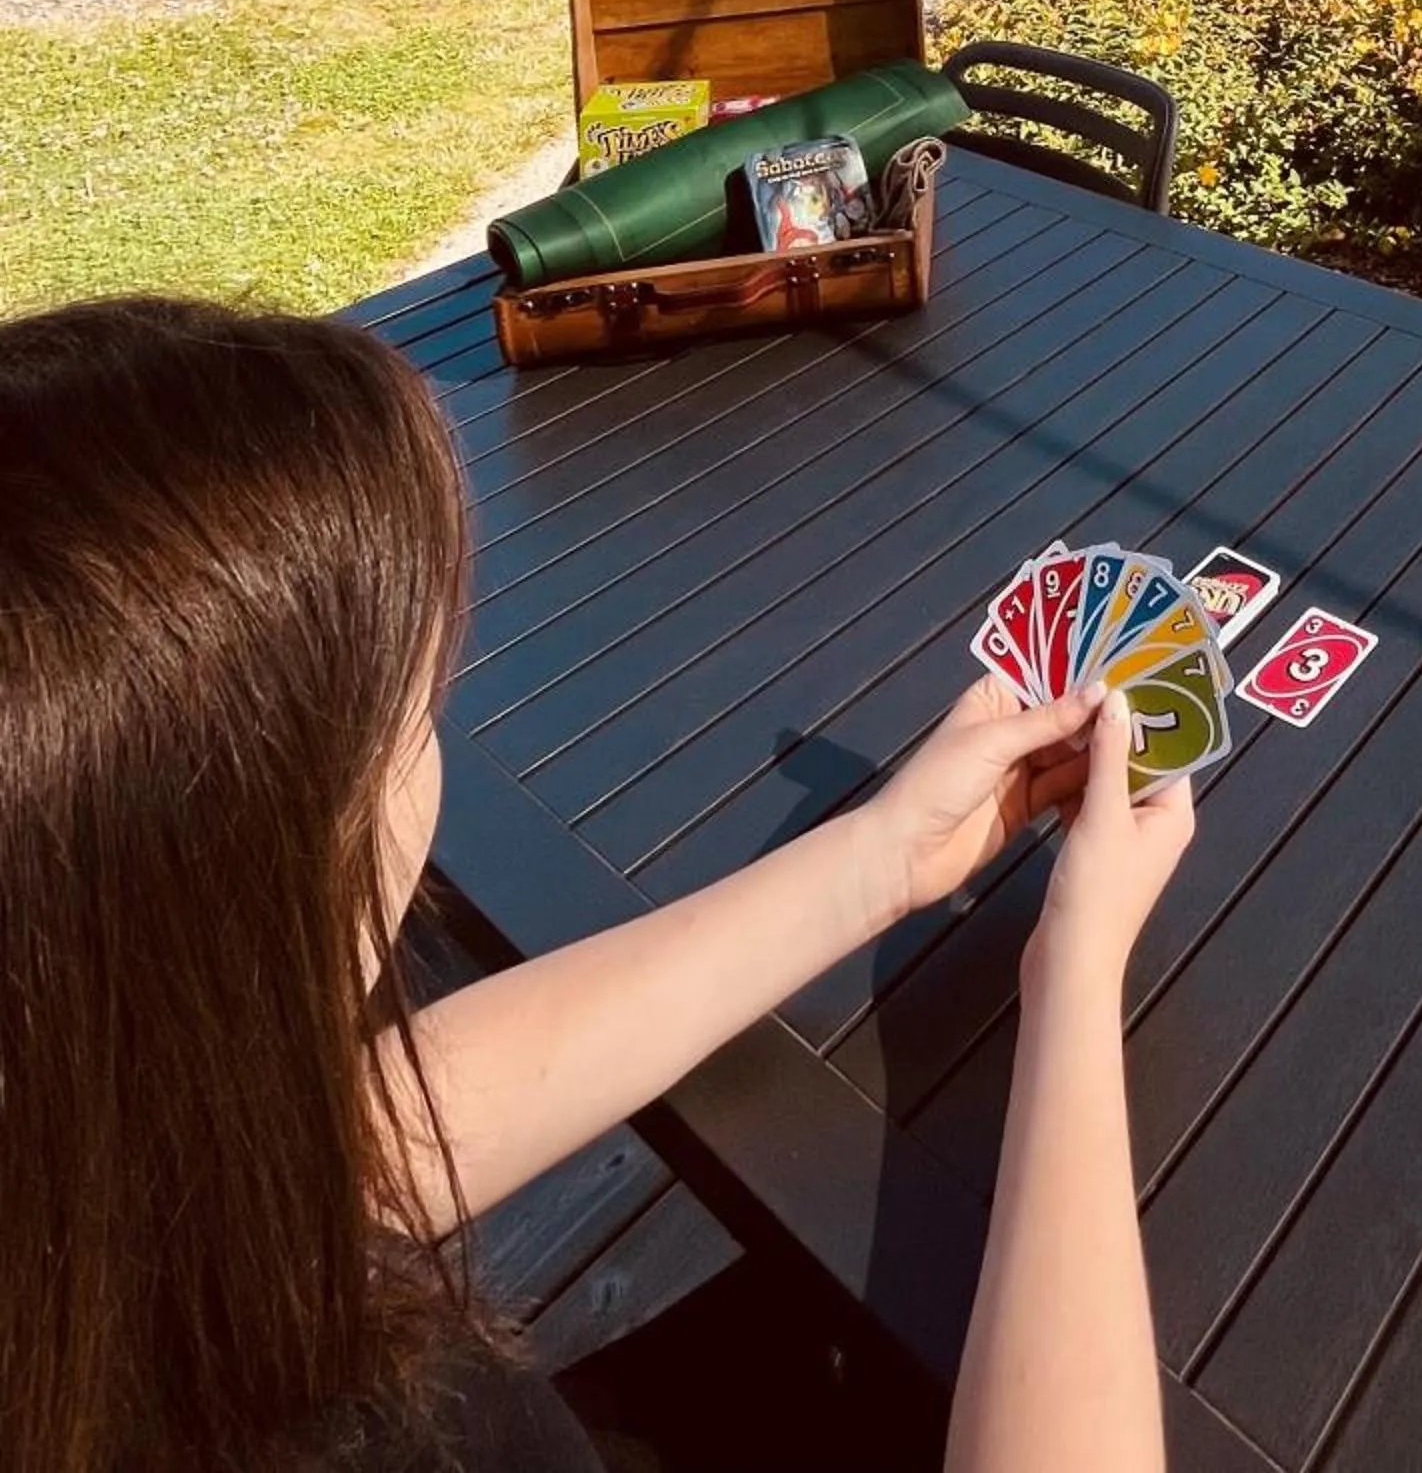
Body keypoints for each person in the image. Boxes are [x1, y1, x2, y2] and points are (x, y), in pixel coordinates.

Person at [0, 296, 1192, 1473]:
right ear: (234, 887)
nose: (436, 753)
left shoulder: (75, 1204)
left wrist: (885, 859)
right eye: (417, 719)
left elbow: (357, 1152)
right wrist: (1074, 971)